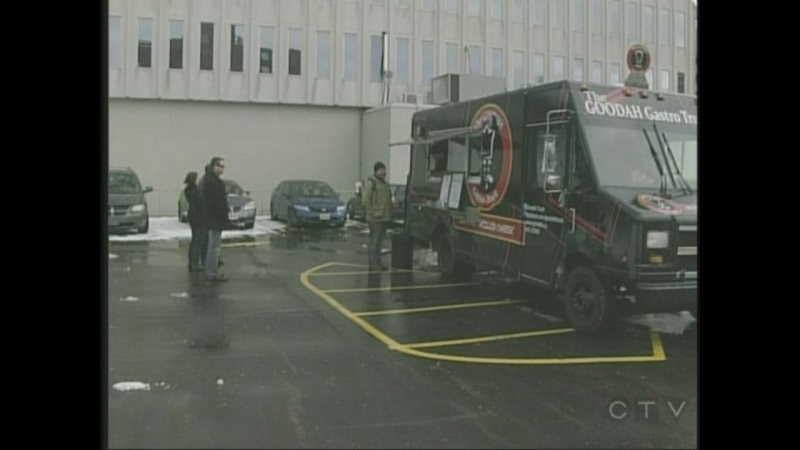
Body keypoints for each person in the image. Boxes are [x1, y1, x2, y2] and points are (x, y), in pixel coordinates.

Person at [200, 157, 230, 282]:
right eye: (220, 166)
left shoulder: (211, 180)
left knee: (213, 245)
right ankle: (211, 271)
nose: (222, 168)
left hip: (213, 217)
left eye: (223, 166)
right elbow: (216, 201)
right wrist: (223, 212)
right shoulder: (212, 181)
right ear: (214, 166)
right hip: (214, 218)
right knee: (214, 246)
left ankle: (211, 270)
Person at [362, 161, 393, 271]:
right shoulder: (371, 183)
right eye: (381, 170)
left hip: (385, 217)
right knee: (374, 241)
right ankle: (372, 263)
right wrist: (372, 213)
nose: (384, 172)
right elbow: (366, 200)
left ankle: (378, 262)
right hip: (375, 218)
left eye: (384, 170)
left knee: (380, 242)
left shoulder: (385, 184)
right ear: (376, 171)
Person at [183, 171, 207, 271]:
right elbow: (200, 203)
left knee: (195, 240)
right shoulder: (195, 191)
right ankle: (195, 263)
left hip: (192, 215)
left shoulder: (187, 190)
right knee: (198, 240)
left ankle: (192, 262)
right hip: (198, 216)